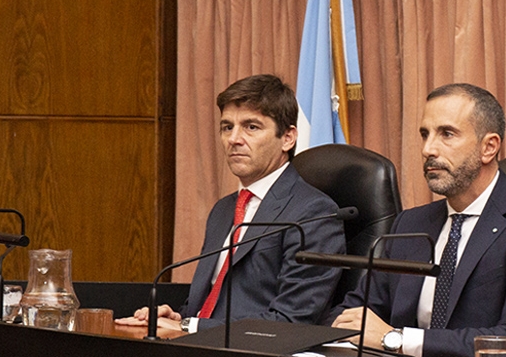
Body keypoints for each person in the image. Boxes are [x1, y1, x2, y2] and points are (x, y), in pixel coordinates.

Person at [328, 83, 506, 357]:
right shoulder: (411, 223)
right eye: (425, 134)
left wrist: (396, 339)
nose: (428, 149)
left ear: (489, 147)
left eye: (447, 134)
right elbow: (354, 314)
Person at [119, 74, 345, 331]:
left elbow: (290, 322)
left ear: (287, 138)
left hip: (257, 353)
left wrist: (189, 327)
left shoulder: (313, 213)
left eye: (251, 127)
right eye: (227, 127)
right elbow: (214, 305)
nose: (234, 139)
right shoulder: (224, 209)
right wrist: (178, 318)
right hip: (199, 346)